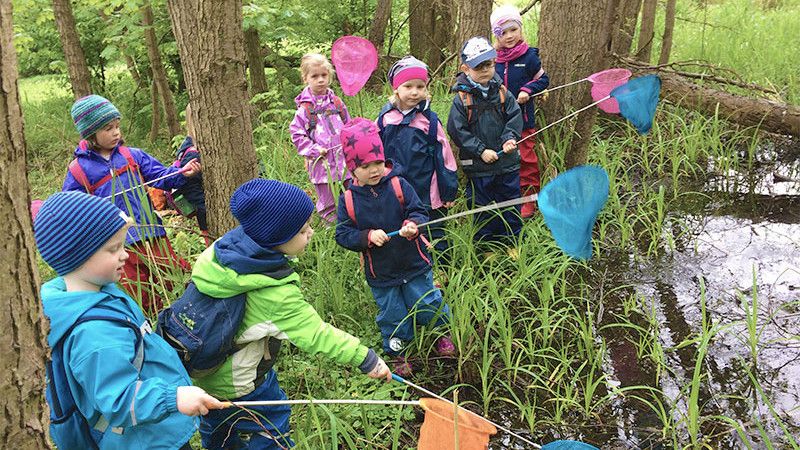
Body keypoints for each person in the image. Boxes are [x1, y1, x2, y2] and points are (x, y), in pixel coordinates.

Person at [188, 178, 392, 449]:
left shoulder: (221, 251)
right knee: (270, 424)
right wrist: (367, 358)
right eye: (302, 230)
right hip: (242, 383)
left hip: (204, 374)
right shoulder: (275, 294)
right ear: (276, 238)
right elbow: (316, 334)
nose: (311, 234)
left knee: (219, 424)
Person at [34, 191, 223, 450]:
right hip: (143, 440)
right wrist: (172, 398)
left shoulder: (96, 291)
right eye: (113, 249)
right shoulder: (94, 334)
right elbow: (118, 399)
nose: (125, 255)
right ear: (75, 255)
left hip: (153, 428)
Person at [335, 118, 455, 377]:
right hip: (382, 271)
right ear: (352, 169)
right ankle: (398, 350)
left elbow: (418, 211)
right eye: (366, 166)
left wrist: (413, 224)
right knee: (393, 313)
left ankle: (439, 333)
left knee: (426, 301)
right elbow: (343, 234)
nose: (375, 170)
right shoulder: (348, 199)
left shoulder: (399, 185)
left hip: (413, 262)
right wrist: (367, 237)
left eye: (378, 162)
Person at [63, 94, 201, 313]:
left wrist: (184, 173)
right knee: (139, 293)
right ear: (90, 134)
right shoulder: (79, 170)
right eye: (108, 128)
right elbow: (71, 208)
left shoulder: (132, 156)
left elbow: (163, 177)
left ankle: (189, 315)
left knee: (176, 277)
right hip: (117, 245)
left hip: (152, 233)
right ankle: (151, 326)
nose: (116, 132)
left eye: (117, 126)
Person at [377, 56, 459, 266]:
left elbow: (446, 157)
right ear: (396, 89)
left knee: (434, 229)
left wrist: (448, 189)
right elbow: (375, 154)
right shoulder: (385, 120)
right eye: (408, 86)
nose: (415, 92)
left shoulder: (429, 122)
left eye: (420, 86)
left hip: (428, 190)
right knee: (402, 228)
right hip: (396, 189)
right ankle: (411, 266)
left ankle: (440, 268)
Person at [446, 37, 523, 248]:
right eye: (478, 66)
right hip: (479, 167)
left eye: (488, 64)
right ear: (466, 68)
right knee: (482, 207)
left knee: (510, 203)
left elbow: (515, 117)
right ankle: (486, 247)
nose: (485, 70)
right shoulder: (462, 99)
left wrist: (509, 138)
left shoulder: (502, 92)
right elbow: (456, 130)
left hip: (507, 162)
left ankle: (511, 242)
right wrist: (480, 150)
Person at [491, 5, 550, 218]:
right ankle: (505, 197)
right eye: (503, 32)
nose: (509, 36)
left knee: (526, 159)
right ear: (496, 35)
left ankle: (528, 199)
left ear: (520, 29)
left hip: (523, 120)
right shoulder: (493, 59)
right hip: (498, 122)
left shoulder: (529, 57)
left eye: (513, 30)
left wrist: (528, 89)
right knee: (503, 160)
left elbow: (543, 79)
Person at [290, 53, 351, 223]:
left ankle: (352, 226)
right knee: (328, 202)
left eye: (324, 75)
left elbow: (348, 125)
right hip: (321, 165)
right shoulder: (305, 109)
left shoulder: (337, 103)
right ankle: (332, 231)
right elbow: (297, 133)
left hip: (344, 162)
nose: (320, 80)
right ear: (306, 78)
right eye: (314, 76)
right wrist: (314, 150)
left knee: (351, 196)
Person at [170, 102, 209, 244]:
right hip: (207, 216)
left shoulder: (188, 145)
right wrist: (208, 209)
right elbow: (190, 187)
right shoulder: (192, 153)